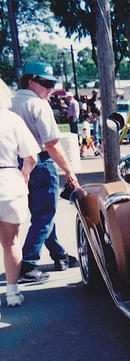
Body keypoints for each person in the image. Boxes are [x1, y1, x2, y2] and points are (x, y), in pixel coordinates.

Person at [11, 61, 80, 280]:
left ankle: (59, 255)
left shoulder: (10, 103)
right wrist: (69, 171)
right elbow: (51, 143)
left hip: (15, 164)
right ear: (31, 81)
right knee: (45, 215)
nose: (50, 88)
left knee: (41, 214)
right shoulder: (38, 104)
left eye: (52, 83)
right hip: (39, 163)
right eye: (46, 83)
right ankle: (28, 263)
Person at [0, 79, 40, 309]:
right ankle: (12, 293)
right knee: (11, 243)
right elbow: (31, 157)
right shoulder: (12, 120)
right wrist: (24, 176)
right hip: (9, 183)